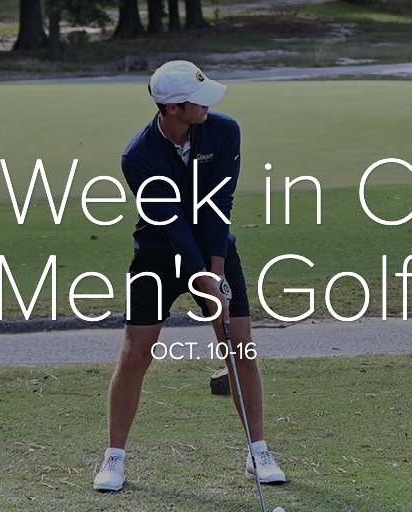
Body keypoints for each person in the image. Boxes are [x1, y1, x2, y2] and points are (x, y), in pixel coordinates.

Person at [93, 60, 287, 491]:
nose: (207, 105)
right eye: (197, 100)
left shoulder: (223, 130)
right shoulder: (138, 156)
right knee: (136, 353)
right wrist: (200, 278)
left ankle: (258, 452)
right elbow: (172, 223)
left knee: (240, 348)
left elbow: (220, 204)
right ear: (172, 108)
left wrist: (214, 275)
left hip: (217, 250)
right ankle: (114, 458)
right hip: (157, 255)